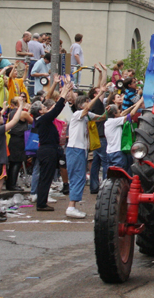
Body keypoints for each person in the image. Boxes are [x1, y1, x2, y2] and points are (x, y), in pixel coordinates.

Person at [35, 78, 74, 211]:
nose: (46, 108)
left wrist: (65, 91)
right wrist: (64, 92)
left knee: (46, 176)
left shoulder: (43, 119)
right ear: (40, 111)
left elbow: (55, 108)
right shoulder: (44, 119)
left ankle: (42, 201)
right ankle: (41, 203)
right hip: (47, 150)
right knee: (45, 177)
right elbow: (56, 109)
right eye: (43, 107)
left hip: (49, 149)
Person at [65, 89, 105, 219]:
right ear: (82, 104)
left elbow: (101, 118)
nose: (89, 104)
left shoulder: (87, 115)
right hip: (75, 149)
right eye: (87, 102)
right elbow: (88, 109)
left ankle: (73, 205)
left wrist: (109, 110)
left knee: (80, 176)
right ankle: (71, 206)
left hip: (81, 150)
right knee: (78, 176)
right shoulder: (77, 114)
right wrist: (99, 94)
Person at [104, 99, 144, 174]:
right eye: (118, 110)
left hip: (110, 152)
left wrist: (134, 105)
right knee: (120, 175)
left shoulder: (108, 122)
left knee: (112, 175)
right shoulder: (114, 122)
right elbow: (130, 115)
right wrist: (140, 102)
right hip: (117, 153)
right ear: (115, 114)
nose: (120, 111)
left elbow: (123, 113)